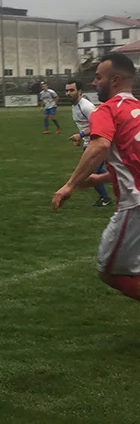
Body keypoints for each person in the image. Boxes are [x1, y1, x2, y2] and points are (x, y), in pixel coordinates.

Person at [52, 53, 140, 303]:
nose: (94, 82)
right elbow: (132, 161)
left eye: (98, 77)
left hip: (134, 204)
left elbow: (99, 145)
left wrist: (69, 185)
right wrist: (99, 179)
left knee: (109, 271)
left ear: (114, 80)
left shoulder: (107, 110)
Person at [64, 80, 112, 207]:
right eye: (67, 90)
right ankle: (123, 178)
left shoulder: (86, 107)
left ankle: (105, 198)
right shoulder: (75, 106)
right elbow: (85, 125)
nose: (68, 93)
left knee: (90, 173)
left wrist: (80, 135)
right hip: (89, 144)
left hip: (96, 144)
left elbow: (100, 125)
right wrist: (80, 138)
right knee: (98, 171)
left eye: (72, 90)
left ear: (79, 91)